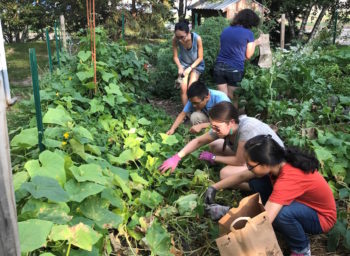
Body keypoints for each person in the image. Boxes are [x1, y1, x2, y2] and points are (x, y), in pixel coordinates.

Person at [205, 135, 337, 256]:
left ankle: (301, 249)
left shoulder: (288, 178)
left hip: (321, 218)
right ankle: (281, 219)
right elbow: (242, 175)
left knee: (282, 214)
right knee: (257, 181)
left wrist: (227, 213)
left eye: (251, 166)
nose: (249, 169)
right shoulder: (277, 162)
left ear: (264, 163)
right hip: (302, 203)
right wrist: (214, 187)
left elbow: (264, 220)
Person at [160, 102, 283, 187]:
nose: (214, 130)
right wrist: (177, 157)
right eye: (212, 126)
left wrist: (213, 158)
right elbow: (199, 141)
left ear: (231, 122)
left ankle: (255, 188)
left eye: (216, 127)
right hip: (250, 156)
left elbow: (239, 161)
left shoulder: (246, 129)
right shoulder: (227, 127)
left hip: (268, 162)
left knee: (224, 174)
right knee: (215, 144)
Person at [214, 9, 261, 107]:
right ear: (249, 22)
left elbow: (220, 47)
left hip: (219, 67)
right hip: (235, 68)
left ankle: (222, 120)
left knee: (222, 98)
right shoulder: (248, 33)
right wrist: (256, 43)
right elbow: (248, 56)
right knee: (233, 97)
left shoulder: (226, 30)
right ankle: (233, 120)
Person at [173, 21, 205, 106]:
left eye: (182, 37)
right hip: (183, 64)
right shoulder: (175, 39)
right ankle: (186, 113)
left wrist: (190, 69)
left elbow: (200, 57)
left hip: (196, 64)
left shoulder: (197, 38)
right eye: (177, 37)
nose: (179, 39)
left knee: (191, 88)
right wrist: (180, 67)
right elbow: (175, 57)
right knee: (183, 90)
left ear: (188, 33)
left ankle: (194, 109)